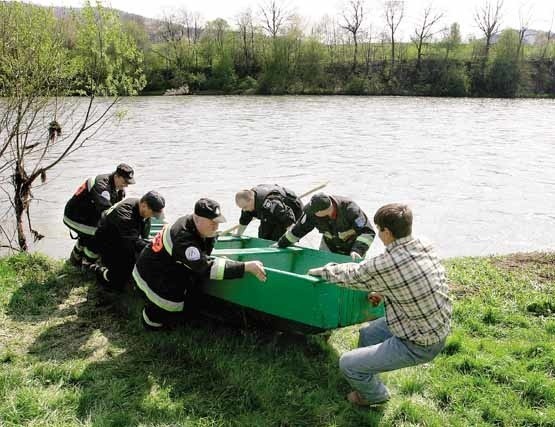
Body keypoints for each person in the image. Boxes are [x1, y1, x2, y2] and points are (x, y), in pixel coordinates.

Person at [308, 203, 452, 407]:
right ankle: (365, 376)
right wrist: (385, 290)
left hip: (419, 343)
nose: (378, 233)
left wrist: (320, 271)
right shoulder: (423, 244)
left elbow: (352, 274)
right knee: (368, 335)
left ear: (387, 232)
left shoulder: (387, 263)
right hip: (433, 326)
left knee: (346, 363)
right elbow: (410, 277)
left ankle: (374, 396)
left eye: (378, 229)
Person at [132, 198, 267, 330]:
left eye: (217, 222)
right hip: (149, 275)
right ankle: (150, 320)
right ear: (197, 218)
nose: (216, 226)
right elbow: (208, 269)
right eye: (212, 222)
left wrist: (212, 238)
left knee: (189, 294)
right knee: (171, 306)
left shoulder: (192, 224)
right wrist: (245, 267)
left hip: (162, 266)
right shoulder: (184, 239)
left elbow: (202, 256)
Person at [63, 163, 136, 267]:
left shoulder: (118, 190)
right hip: (74, 217)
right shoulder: (102, 186)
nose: (126, 185)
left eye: (129, 183)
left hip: (87, 217)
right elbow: (107, 213)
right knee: (103, 235)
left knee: (97, 233)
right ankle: (87, 264)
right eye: (125, 182)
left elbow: (116, 210)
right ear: (117, 176)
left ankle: (75, 260)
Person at [92, 191, 165, 291]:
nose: (153, 217)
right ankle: (98, 270)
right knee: (118, 282)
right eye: (152, 214)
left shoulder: (139, 205)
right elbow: (133, 243)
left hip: (123, 237)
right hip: (108, 243)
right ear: (144, 205)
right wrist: (155, 248)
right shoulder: (125, 215)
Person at [276, 193, 375, 260]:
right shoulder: (312, 212)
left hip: (353, 248)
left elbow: (367, 232)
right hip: (329, 245)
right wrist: (281, 244)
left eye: (314, 212)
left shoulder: (350, 209)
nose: (311, 213)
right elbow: (298, 230)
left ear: (325, 210)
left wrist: (357, 251)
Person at [234, 184, 303, 241]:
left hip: (292, 209)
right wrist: (238, 235)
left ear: (251, 200)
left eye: (245, 207)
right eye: (242, 208)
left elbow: (288, 221)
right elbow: (244, 221)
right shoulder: (247, 202)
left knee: (276, 238)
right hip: (270, 213)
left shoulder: (272, 203)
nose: (244, 210)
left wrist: (292, 237)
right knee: (263, 236)